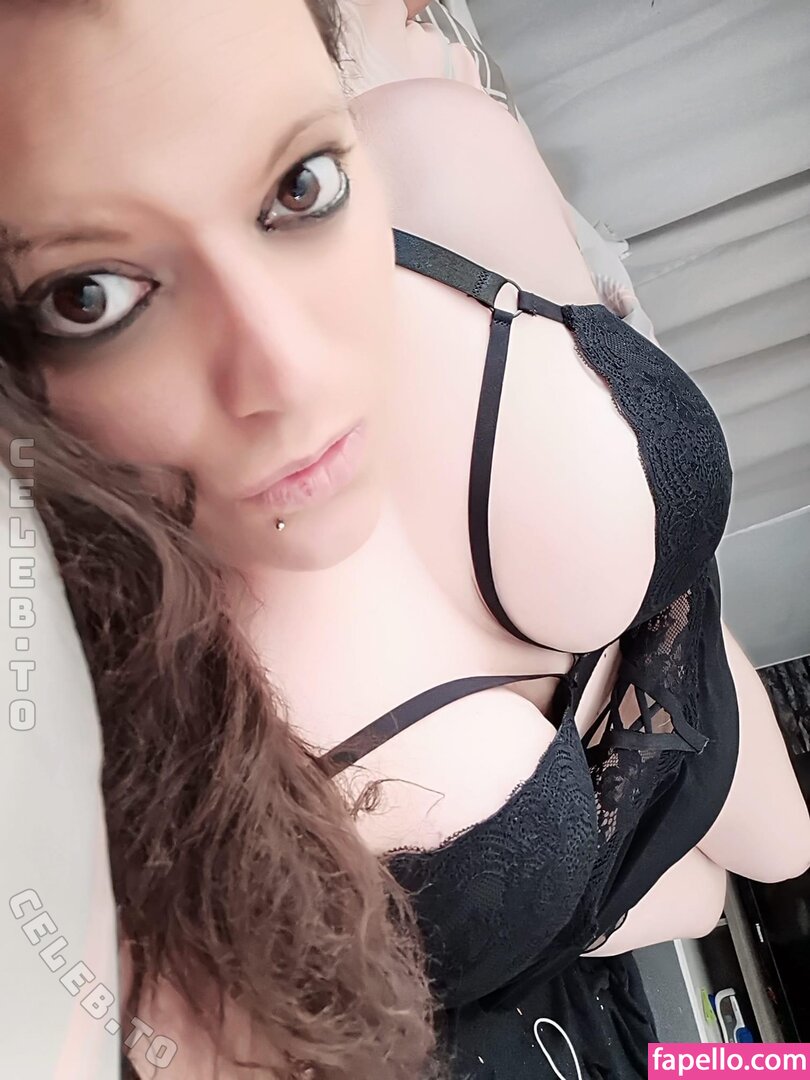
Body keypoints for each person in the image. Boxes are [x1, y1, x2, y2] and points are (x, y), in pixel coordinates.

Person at [1, 0, 808, 1077]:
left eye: (300, 187)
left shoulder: (441, 152)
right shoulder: (120, 729)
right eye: (89, 297)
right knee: (733, 1029)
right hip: (578, 938)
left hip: (711, 710)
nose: (295, 376)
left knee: (789, 855)